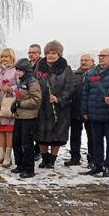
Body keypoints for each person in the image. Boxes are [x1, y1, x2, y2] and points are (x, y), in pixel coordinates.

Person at [81, 48, 109, 177]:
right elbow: (85, 93)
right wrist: (84, 110)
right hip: (94, 113)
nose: (101, 58)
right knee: (96, 141)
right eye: (100, 56)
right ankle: (97, 164)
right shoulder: (91, 73)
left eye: (104, 56)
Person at [34, 40, 75, 169]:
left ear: (59, 54)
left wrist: (59, 99)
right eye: (48, 53)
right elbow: (34, 84)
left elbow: (70, 87)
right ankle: (44, 157)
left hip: (59, 108)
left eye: (54, 53)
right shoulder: (39, 68)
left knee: (57, 134)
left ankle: (52, 159)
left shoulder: (66, 69)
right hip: (42, 107)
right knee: (41, 134)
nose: (50, 55)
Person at [10, 58, 42, 179]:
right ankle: (20, 165)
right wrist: (14, 104)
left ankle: (29, 169)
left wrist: (20, 104)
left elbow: (36, 100)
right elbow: (20, 97)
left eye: (19, 70)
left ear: (25, 70)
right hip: (19, 116)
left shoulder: (32, 82)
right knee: (16, 142)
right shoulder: (22, 81)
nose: (17, 72)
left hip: (29, 117)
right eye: (16, 70)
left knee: (27, 144)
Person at [65, 54, 95, 167]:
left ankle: (92, 158)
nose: (83, 62)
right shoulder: (75, 74)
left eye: (86, 60)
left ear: (92, 61)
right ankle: (74, 157)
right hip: (76, 108)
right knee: (75, 135)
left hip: (90, 110)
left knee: (91, 136)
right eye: (82, 60)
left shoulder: (96, 74)